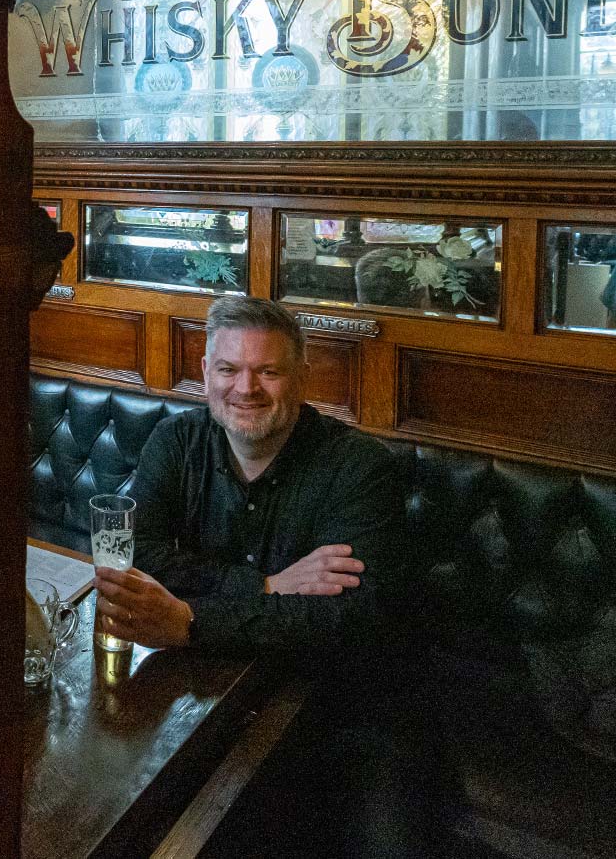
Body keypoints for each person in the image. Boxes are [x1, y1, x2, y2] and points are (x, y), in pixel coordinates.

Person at [92, 294, 431, 859]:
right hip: (199, 700)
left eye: (268, 371)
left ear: (302, 376)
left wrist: (191, 621)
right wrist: (267, 587)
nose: (245, 388)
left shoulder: (358, 467)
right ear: (205, 373)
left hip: (339, 709)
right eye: (228, 369)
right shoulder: (176, 442)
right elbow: (137, 558)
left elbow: (348, 619)